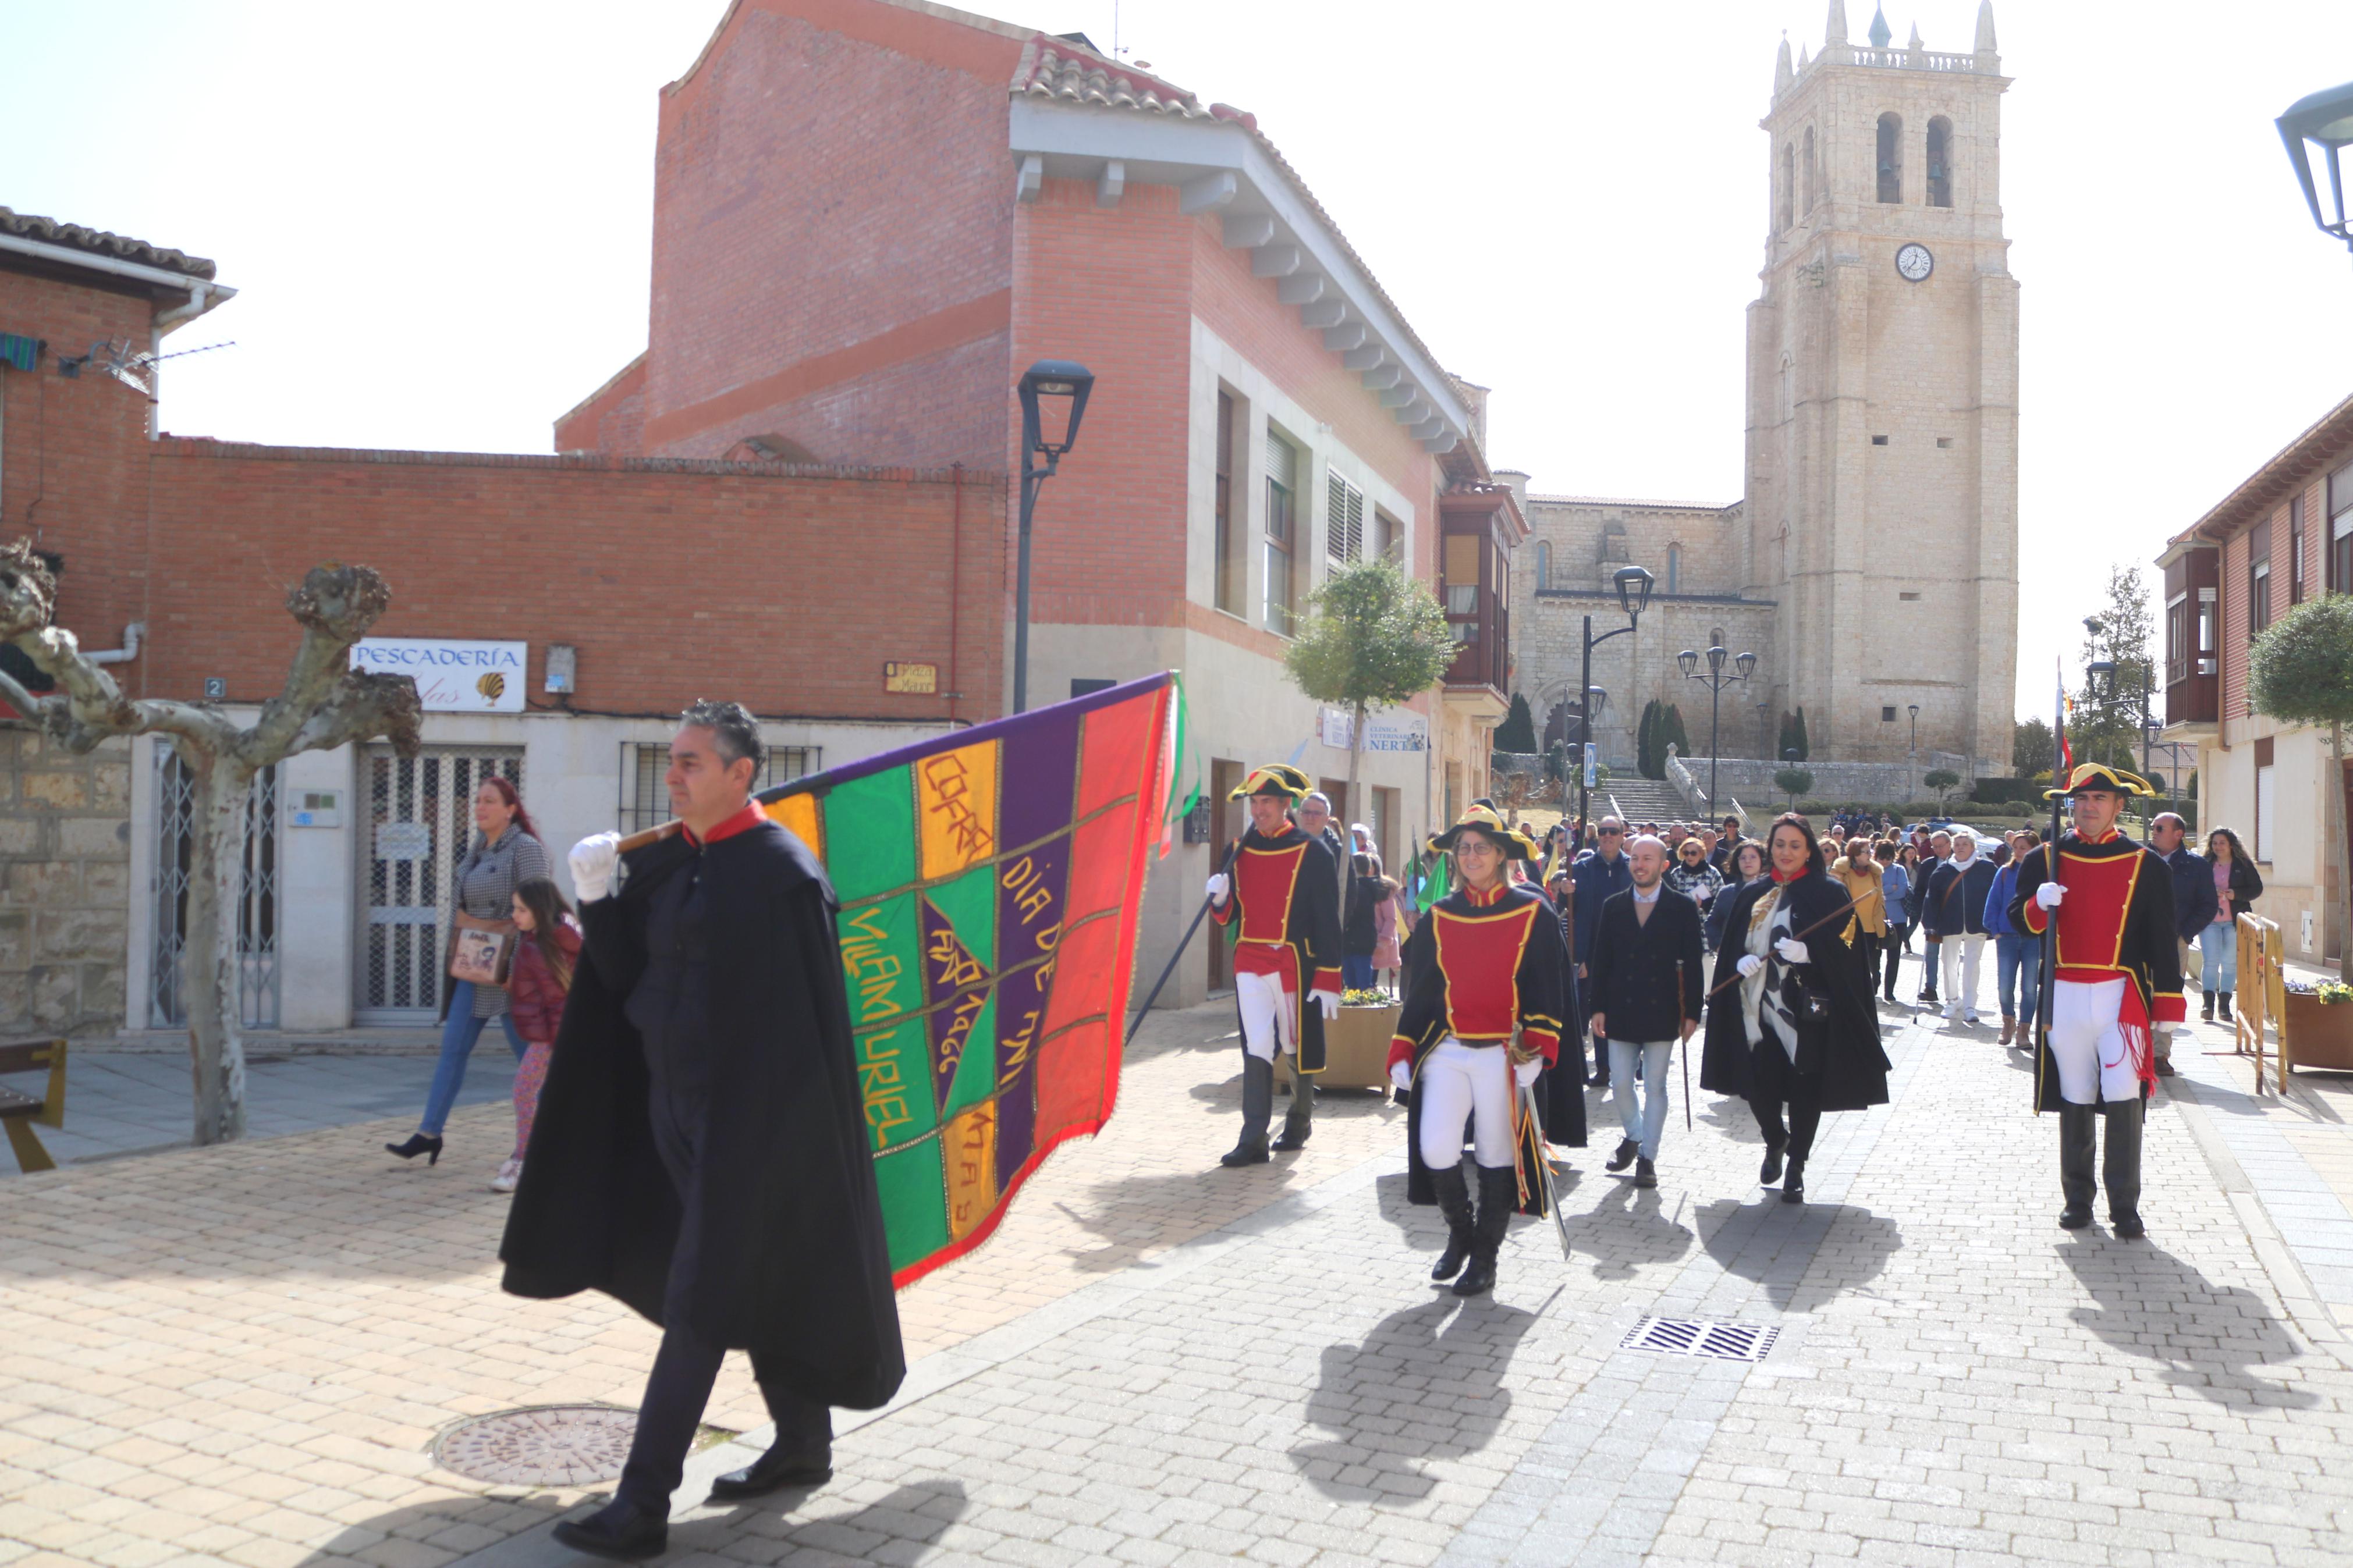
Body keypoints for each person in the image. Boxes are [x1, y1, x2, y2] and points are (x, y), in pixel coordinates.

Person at [502, 701, 904, 1560]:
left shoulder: (783, 873)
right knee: (739, 1281)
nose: (674, 775)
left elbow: (805, 1035)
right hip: (671, 1109)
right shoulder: (670, 863)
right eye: (672, 761)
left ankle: (642, 1501)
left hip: (745, 1126)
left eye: (690, 762)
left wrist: (768, 1142)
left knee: (699, 1302)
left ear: (740, 772)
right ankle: (802, 1443)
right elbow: (621, 978)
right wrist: (598, 897)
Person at [1387, 806, 1569, 1297]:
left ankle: (1484, 1258)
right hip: (1447, 1049)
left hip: (1503, 1054)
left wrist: (1537, 1047)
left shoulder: (1532, 911)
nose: (1470, 856)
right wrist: (1404, 1048)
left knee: (1495, 1153)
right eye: (1463, 848)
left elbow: (1545, 985)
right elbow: (1422, 986)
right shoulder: (1441, 914)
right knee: (1436, 1148)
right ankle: (1461, 1234)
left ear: (1501, 855)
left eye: (1480, 848)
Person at [2009, 765, 2184, 1238]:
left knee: (2125, 1095)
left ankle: (2124, 1205)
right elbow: (2018, 923)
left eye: (2099, 799)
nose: (2088, 807)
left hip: (2120, 998)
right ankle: (2076, 1199)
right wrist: (2035, 905)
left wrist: (2167, 1003)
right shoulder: (2043, 860)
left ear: (2118, 806)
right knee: (2076, 1094)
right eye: (2080, 799)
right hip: (2063, 996)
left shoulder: (2147, 864)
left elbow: (2162, 939)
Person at [1699, 814, 1889, 1204]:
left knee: (1805, 1089)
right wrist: (1737, 961)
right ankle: (1775, 1137)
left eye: (1794, 845)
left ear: (1808, 850)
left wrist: (1811, 952)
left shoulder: (1829, 893)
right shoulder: (1751, 893)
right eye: (1779, 844)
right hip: (1755, 1010)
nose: (1785, 852)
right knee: (1755, 1084)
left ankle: (1797, 1165)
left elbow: (1850, 950)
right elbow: (1733, 943)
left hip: (1808, 1012)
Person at [388, 776, 547, 1166]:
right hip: (474, 967)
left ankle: (544, 1139)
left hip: (511, 970)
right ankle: (429, 1133)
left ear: (510, 809)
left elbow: (540, 908)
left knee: (529, 1061)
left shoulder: (524, 849)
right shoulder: (475, 849)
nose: (480, 807)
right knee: (452, 1050)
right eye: (476, 800)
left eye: (489, 801)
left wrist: (523, 969)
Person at [1208, 765, 1343, 1165]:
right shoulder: (1238, 848)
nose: (1259, 809)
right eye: (1254, 801)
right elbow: (1231, 914)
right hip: (1249, 957)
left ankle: (1299, 1120)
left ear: (1286, 804)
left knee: (1293, 1041)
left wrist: (1329, 972)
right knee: (1256, 1043)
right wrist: (1219, 899)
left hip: (1291, 960)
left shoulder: (1311, 850)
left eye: (1266, 801)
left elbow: (1325, 916)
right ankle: (1252, 1137)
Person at [1586, 835, 1705, 1189]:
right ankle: (1634, 1135)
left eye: (1648, 858)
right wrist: (1597, 1007)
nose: (1640, 864)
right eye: (1635, 858)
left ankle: (1647, 1158)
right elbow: (1602, 959)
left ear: (1663, 865)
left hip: (1664, 1009)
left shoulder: (1683, 907)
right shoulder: (1614, 905)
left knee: (1655, 1085)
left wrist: (1693, 1014)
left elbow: (1694, 965)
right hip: (1621, 1008)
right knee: (1621, 1083)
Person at [497, 877, 581, 1194]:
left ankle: (525, 1160)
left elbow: (558, 999)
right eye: (514, 908)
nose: (515, 915)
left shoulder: (542, 945)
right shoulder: (557, 935)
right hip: (559, 1032)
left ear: (540, 909)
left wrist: (555, 1041)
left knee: (524, 1090)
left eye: (521, 909)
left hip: (554, 1035)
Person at [2145, 813, 2213, 1070]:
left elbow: (2208, 906)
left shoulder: (2196, 865)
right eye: (2153, 827)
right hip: (2140, 939)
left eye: (2160, 827)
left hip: (2174, 942)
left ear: (2179, 834)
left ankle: (2160, 1055)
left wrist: (2185, 935)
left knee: (2167, 995)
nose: (2154, 831)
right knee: (2137, 992)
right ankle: (2137, 1050)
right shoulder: (2141, 859)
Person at [1570, 817, 1634, 1087]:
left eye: (1613, 832)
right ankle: (1605, 1067)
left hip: (1626, 950)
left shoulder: (1634, 867)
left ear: (1622, 836)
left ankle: (1630, 1064)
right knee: (1597, 1006)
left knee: (1625, 1006)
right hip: (1592, 950)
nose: (1608, 836)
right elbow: (1571, 908)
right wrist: (1565, 893)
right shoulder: (1582, 868)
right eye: (1603, 832)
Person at [1922, 829, 1996, 1026]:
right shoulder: (1943, 870)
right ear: (1952, 848)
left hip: (1977, 924)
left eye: (1965, 844)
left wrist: (1995, 922)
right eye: (1957, 845)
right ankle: (1952, 1000)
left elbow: (1996, 896)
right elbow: (1931, 899)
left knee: (1972, 966)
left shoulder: (1987, 869)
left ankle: (1970, 1006)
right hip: (1950, 923)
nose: (1961, 848)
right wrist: (1929, 925)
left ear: (1973, 847)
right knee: (1949, 964)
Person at [1983, 831, 2042, 1050]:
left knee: (2029, 988)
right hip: (2006, 938)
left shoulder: (2043, 875)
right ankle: (2008, 1021)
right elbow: (1993, 902)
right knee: (2005, 987)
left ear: (2034, 850)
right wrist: (1995, 930)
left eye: (2023, 848)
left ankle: (2024, 1031)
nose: (2018, 852)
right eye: (2015, 847)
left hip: (2032, 938)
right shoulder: (2005, 873)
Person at [2201, 827, 2263, 1022]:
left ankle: (2224, 1006)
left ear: (2231, 845)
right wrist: (2211, 892)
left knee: (2230, 964)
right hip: (2209, 920)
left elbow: (2256, 888)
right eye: (2215, 843)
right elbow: (2195, 889)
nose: (2218, 847)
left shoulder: (2243, 865)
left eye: (2222, 843)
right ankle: (2207, 1005)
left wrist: (2236, 894)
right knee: (2210, 962)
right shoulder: (2204, 864)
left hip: (2235, 921)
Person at [1830, 837, 1885, 994]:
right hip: (1849, 930)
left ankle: (1869, 995)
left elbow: (1880, 900)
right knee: (1851, 967)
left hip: (1871, 929)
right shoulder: (1841, 873)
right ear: (1855, 854)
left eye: (1871, 851)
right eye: (1866, 852)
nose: (1870, 854)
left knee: (1872, 966)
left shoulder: (1875, 874)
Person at [1341, 825, 1385, 993]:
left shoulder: (1363, 889)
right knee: (1353, 985)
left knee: (1360, 985)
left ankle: (1363, 1015)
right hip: (1356, 941)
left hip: (1358, 941)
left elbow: (1352, 911)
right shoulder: (1364, 888)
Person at [1705, 840, 1767, 950]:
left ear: (1762, 860)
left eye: (1753, 857)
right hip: (1732, 955)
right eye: (1743, 858)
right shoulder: (1726, 892)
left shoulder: (1771, 892)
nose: (1748, 861)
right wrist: (1719, 945)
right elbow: (1712, 923)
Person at [1908, 833, 1945, 1007]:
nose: (1938, 850)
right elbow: (1920, 890)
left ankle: (1954, 993)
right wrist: (1918, 911)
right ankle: (1931, 988)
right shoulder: (1928, 864)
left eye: (1941, 846)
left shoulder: (1958, 863)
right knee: (1931, 953)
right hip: (1933, 916)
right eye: (1935, 847)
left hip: (1954, 917)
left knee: (1951, 957)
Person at [1877, 845, 1914, 1003]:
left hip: (1897, 919)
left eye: (1888, 858)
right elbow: (1871, 891)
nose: (1885, 861)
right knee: (1874, 957)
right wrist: (1889, 889)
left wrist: (1882, 894)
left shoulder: (1899, 870)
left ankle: (1889, 991)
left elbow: (1902, 891)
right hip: (1876, 919)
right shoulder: (1873, 870)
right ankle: (1874, 982)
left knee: (1894, 957)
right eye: (1881, 858)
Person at [1665, 835, 1724, 913]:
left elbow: (1723, 899)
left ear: (1701, 854)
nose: (1689, 856)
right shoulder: (1676, 873)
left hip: (1706, 921)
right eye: (1686, 853)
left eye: (1693, 853)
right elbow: (1669, 899)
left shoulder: (1712, 873)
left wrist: (1704, 904)